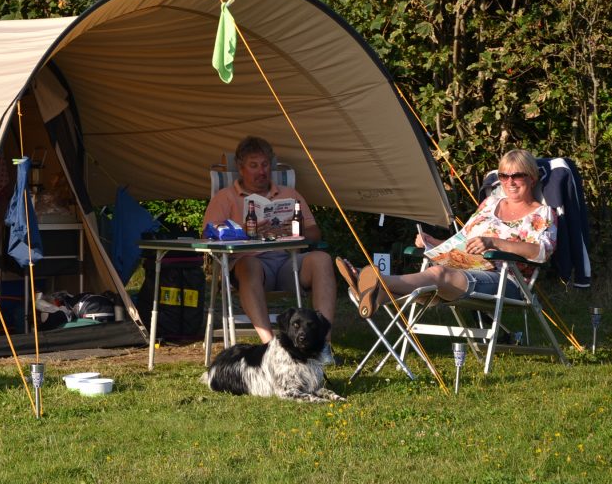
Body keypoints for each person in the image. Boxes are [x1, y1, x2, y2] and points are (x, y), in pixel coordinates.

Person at [336, 149, 557, 318]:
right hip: (463, 270)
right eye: (503, 176)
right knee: (430, 283)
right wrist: (433, 243)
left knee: (438, 275)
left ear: (531, 178)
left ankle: (377, 281)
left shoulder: (543, 213)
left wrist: (494, 243)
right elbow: (463, 240)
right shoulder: (490, 204)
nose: (509, 182)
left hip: (505, 281)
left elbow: (542, 253)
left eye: (517, 176)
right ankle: (370, 293)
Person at [202, 136, 338, 364]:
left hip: (287, 263)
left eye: (265, 165)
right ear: (241, 167)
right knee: (249, 264)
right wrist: (244, 231)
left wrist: (295, 229)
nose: (261, 171)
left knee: (322, 259)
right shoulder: (225, 197)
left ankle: (324, 346)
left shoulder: (289, 194)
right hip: (251, 266)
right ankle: (270, 347)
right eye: (254, 165)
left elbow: (315, 234)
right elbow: (208, 235)